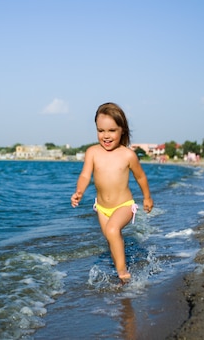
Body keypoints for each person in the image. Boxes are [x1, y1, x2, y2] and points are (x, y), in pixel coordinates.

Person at [71, 102, 154, 281]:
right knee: (111, 237)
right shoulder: (92, 152)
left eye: (111, 130)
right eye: (101, 131)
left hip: (124, 205)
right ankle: (121, 271)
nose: (106, 136)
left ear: (122, 130)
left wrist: (147, 197)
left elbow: (141, 177)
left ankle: (123, 272)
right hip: (102, 208)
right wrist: (79, 191)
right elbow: (85, 175)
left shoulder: (127, 155)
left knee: (113, 229)